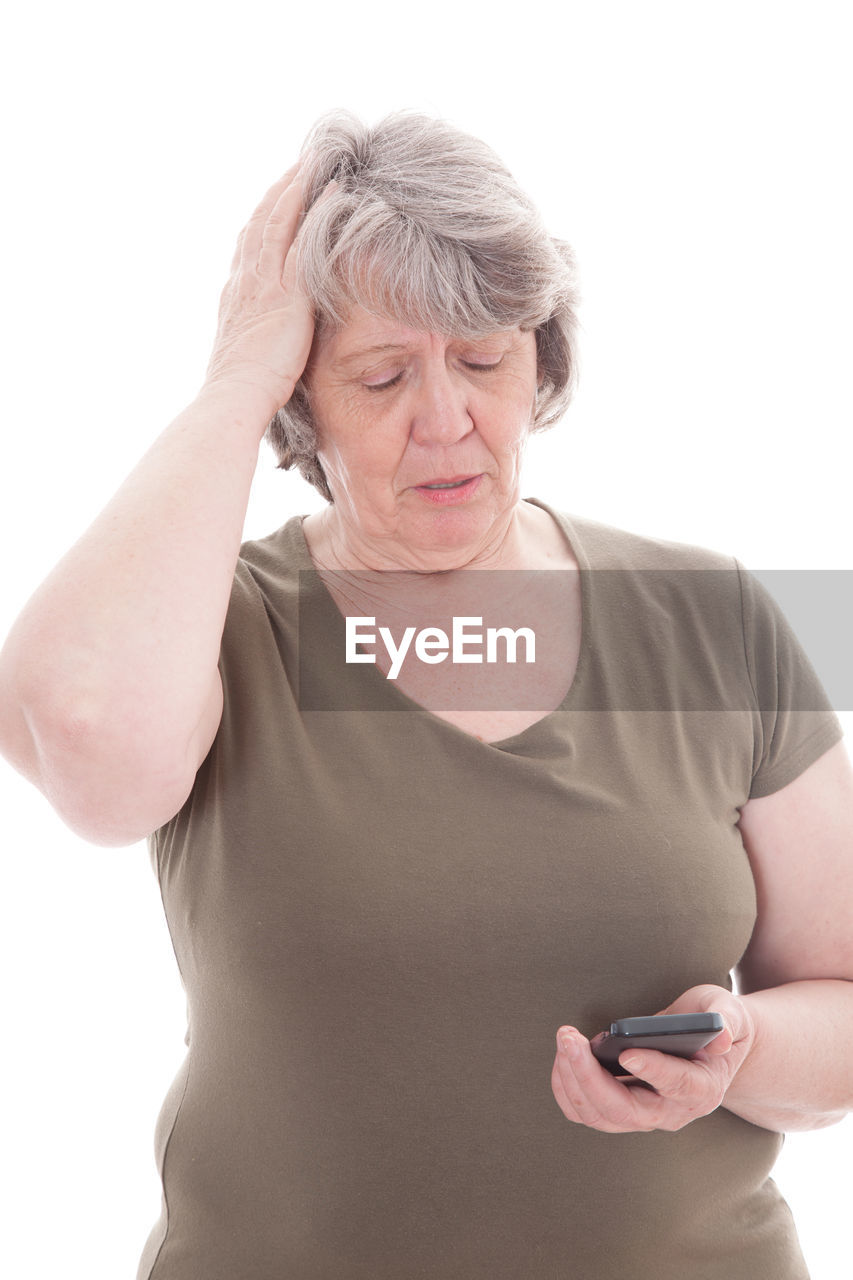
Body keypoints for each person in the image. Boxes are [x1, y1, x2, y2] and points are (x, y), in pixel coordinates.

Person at [0, 110, 850, 1280]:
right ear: (302, 405)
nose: (445, 420)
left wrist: (745, 1048)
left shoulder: (713, 617)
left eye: (485, 358)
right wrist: (236, 373)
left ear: (541, 359)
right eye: (382, 373)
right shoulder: (218, 626)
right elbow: (86, 739)